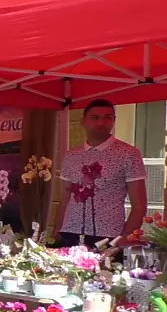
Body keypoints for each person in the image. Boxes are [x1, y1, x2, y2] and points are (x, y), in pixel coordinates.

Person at [52, 99, 147, 253]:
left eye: (107, 117)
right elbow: (64, 199)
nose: (101, 122)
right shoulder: (71, 155)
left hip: (108, 235)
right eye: (95, 117)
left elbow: (139, 205)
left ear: (113, 121)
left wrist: (122, 239)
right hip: (70, 232)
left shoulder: (129, 154)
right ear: (83, 121)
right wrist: (56, 233)